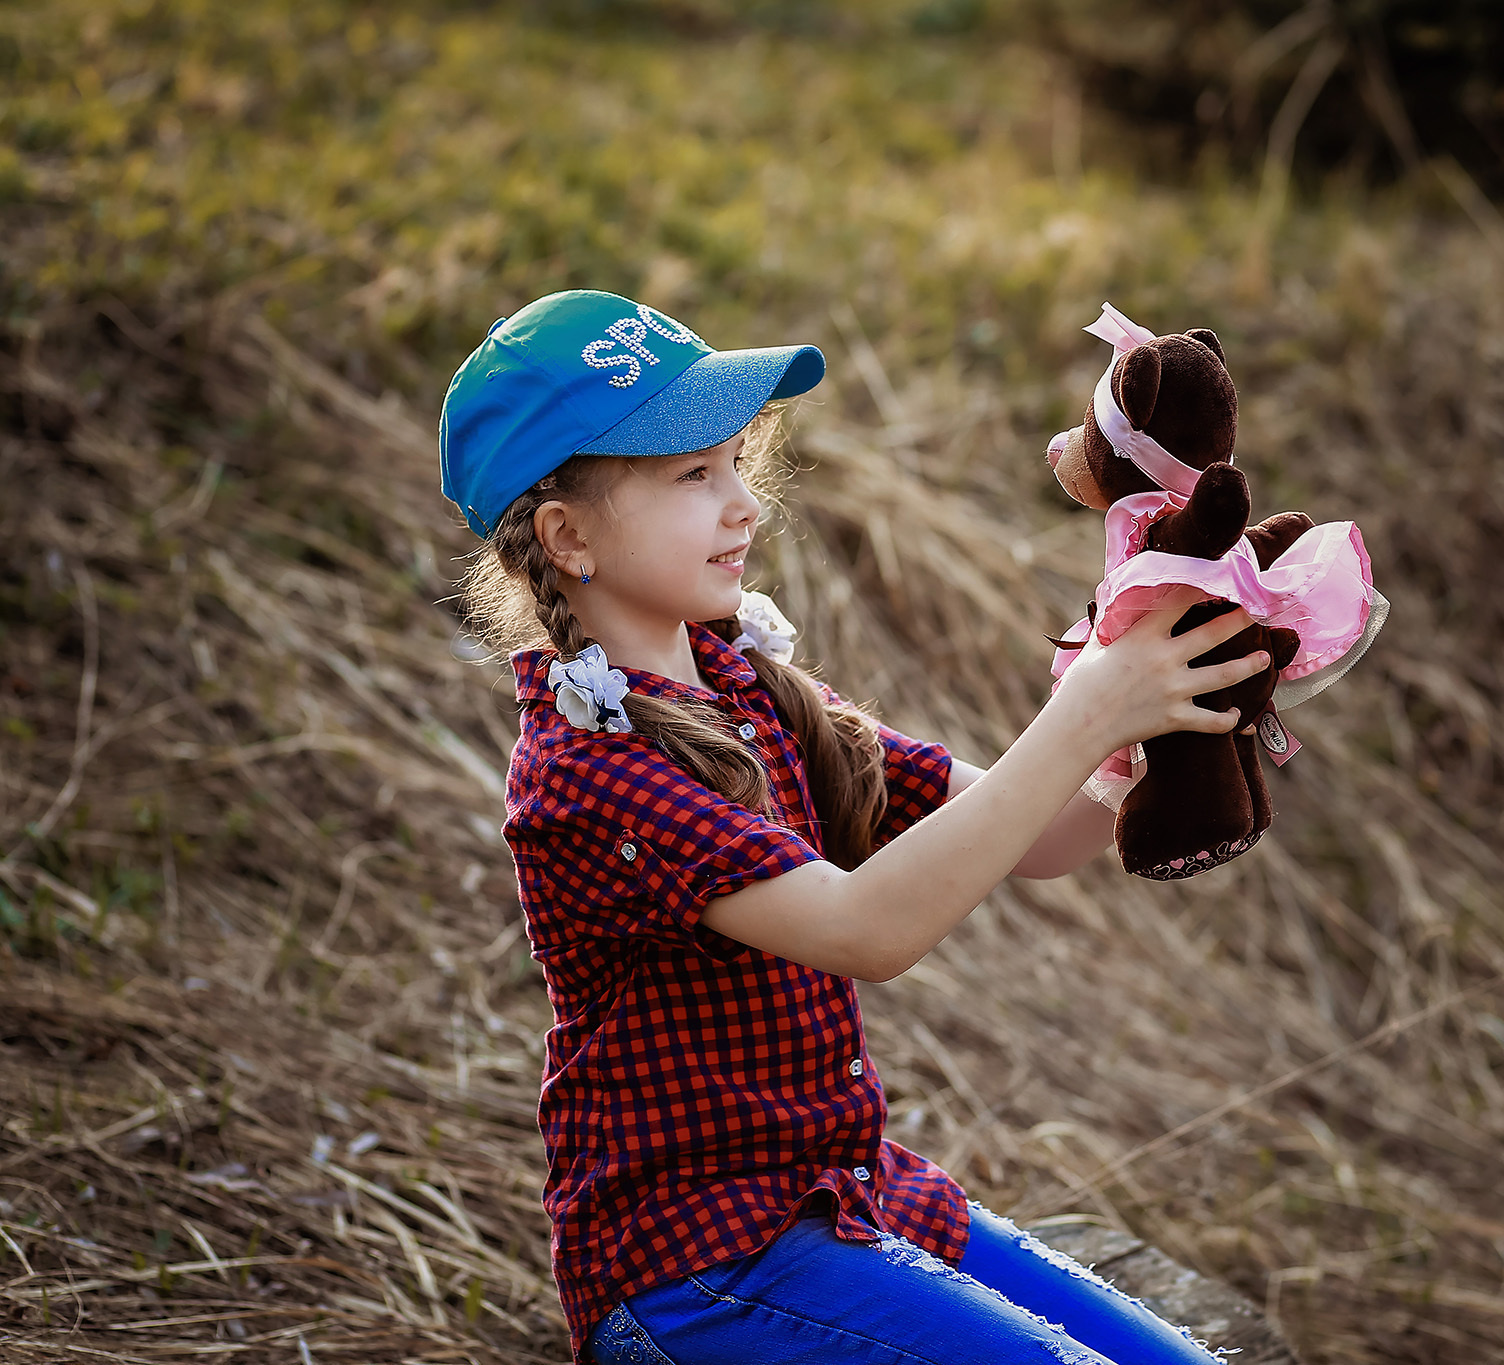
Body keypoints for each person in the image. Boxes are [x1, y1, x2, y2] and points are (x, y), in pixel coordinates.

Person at [441, 290, 1270, 1365]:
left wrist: (1162, 697)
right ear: (568, 537)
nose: (743, 505)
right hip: (700, 1271)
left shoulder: (749, 690)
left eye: (736, 464)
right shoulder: (584, 772)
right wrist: (1088, 709)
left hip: (851, 1195)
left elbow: (1047, 837)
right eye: (694, 476)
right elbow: (864, 929)